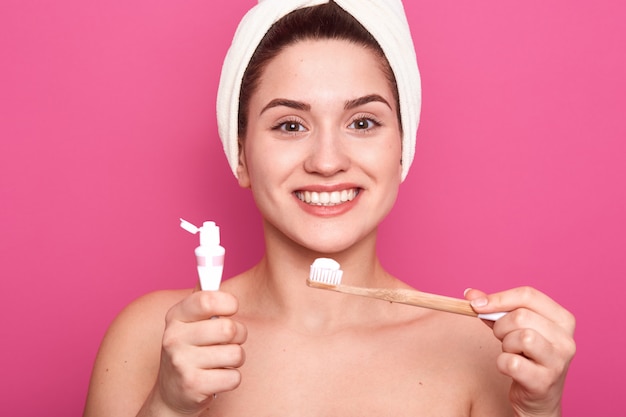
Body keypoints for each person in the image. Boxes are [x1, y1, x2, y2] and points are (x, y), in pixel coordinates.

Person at [83, 1, 576, 416]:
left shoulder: (483, 353)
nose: (326, 162)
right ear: (241, 155)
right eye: (290, 125)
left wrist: (540, 413)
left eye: (362, 123)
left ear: (403, 148)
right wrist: (167, 408)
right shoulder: (155, 337)